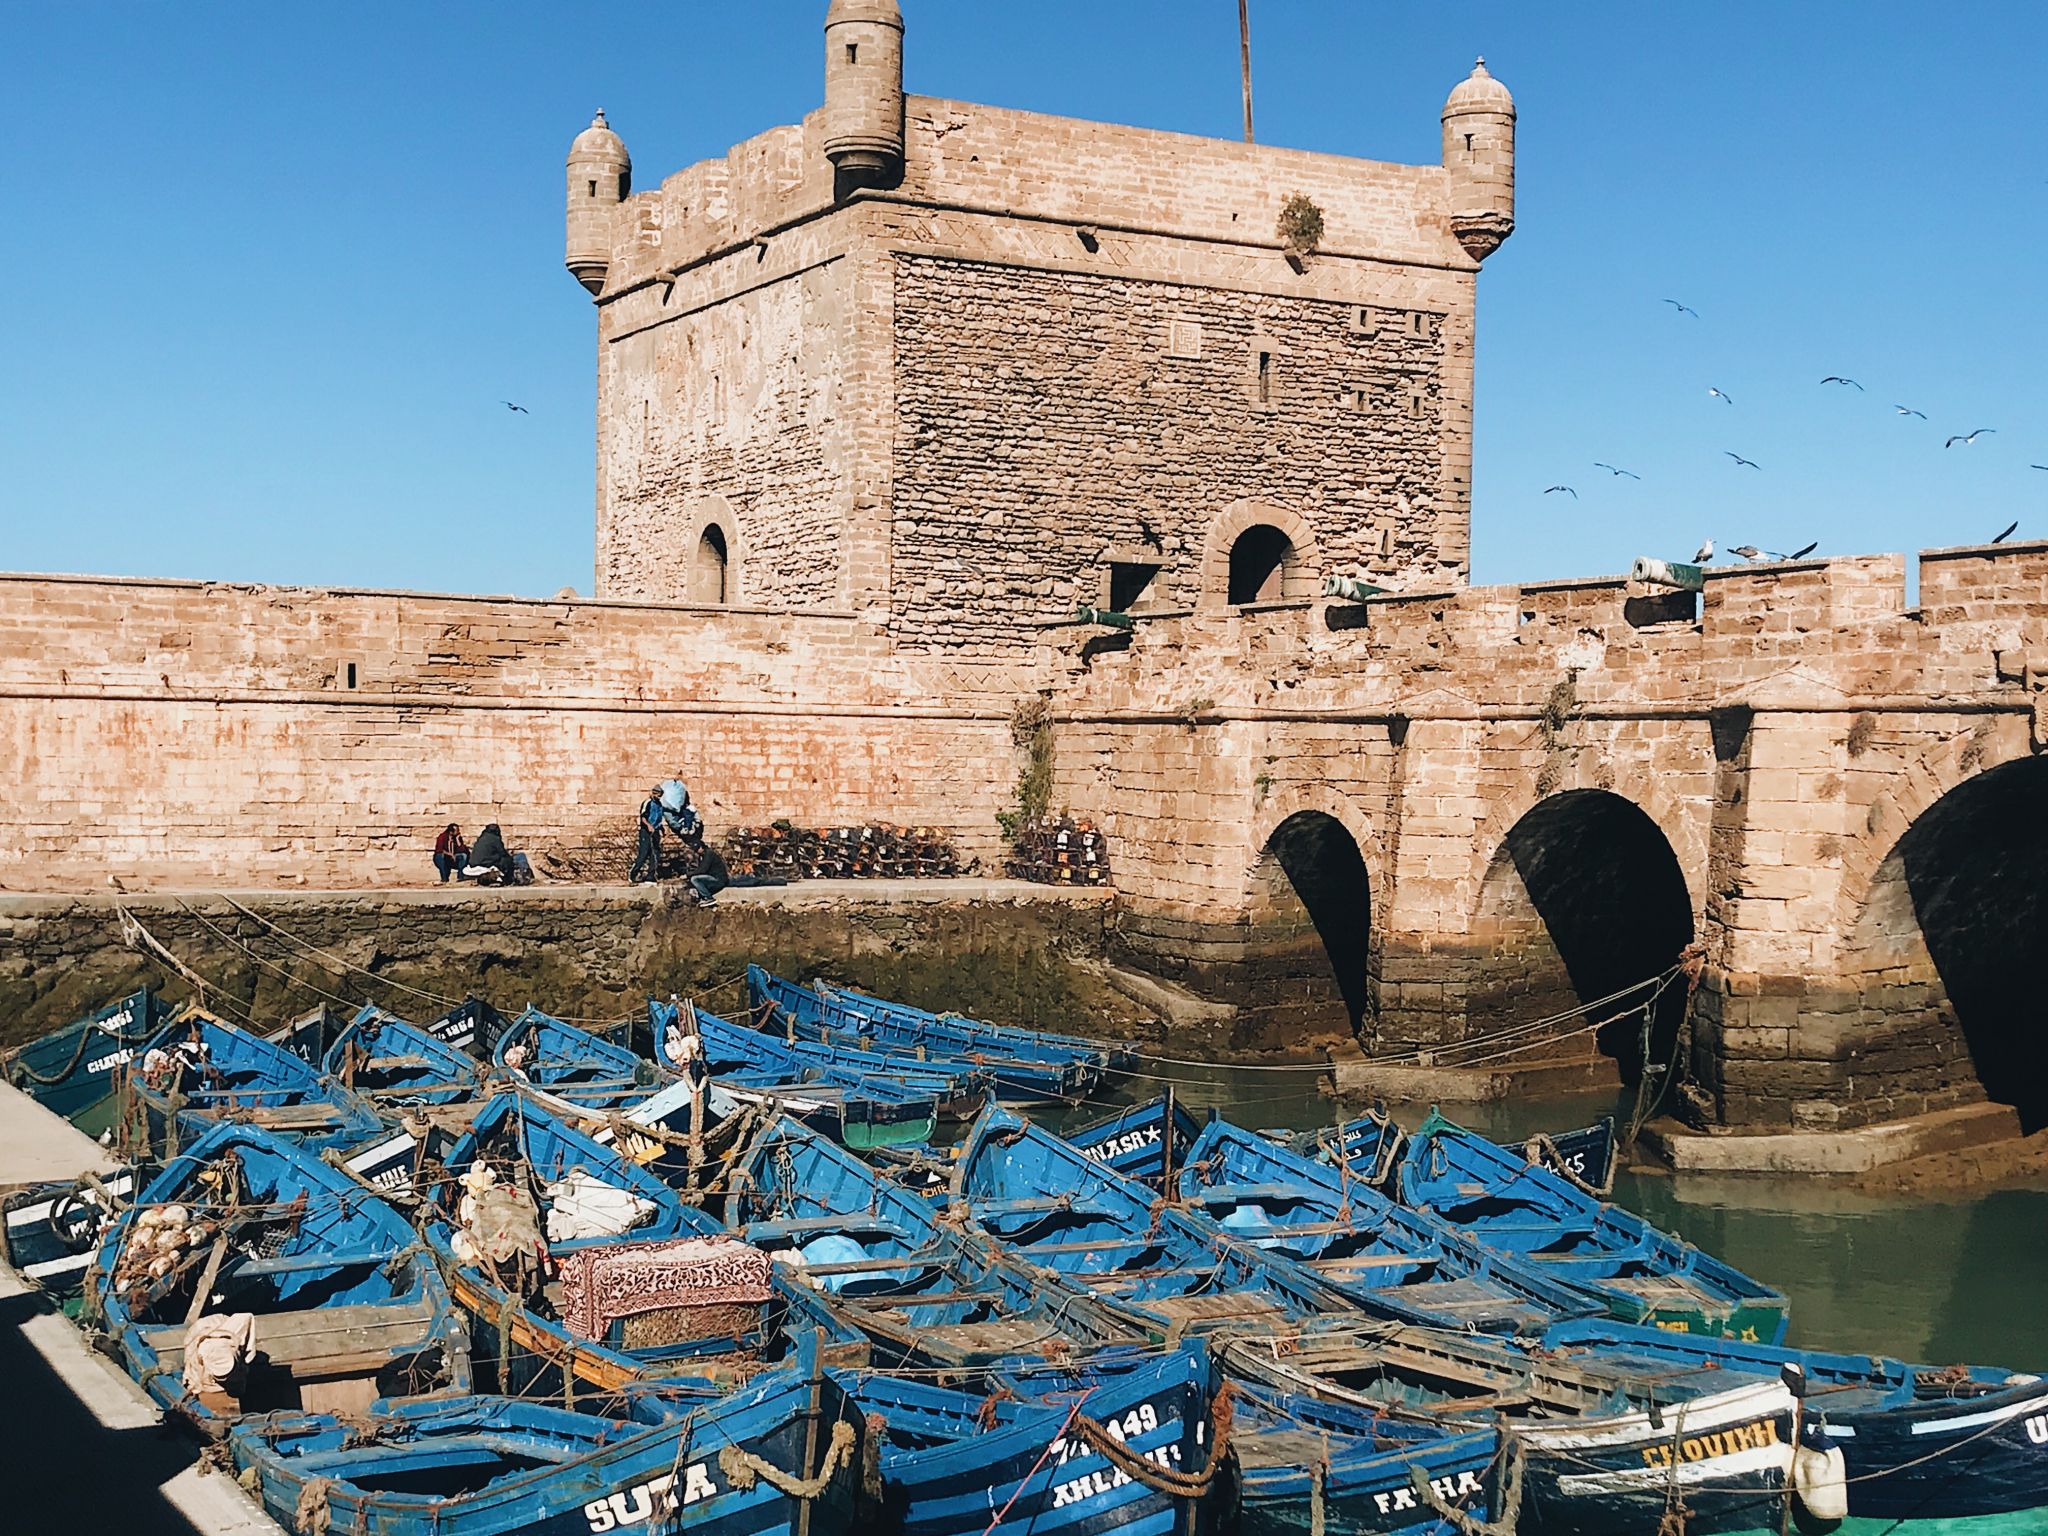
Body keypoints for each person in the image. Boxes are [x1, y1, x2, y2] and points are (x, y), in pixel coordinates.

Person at [682, 825, 727, 905]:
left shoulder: (709, 854)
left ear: (701, 847)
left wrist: (687, 875)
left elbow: (703, 870)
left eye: (697, 850)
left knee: (695, 879)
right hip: (712, 878)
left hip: (718, 880)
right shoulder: (703, 855)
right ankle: (701, 896)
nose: (696, 852)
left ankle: (709, 898)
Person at [629, 786, 665, 884]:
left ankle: (651, 875)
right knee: (644, 853)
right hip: (646, 831)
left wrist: (661, 828)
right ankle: (633, 873)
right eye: (657, 795)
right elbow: (643, 817)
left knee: (655, 853)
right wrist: (648, 825)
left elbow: (658, 818)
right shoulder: (648, 803)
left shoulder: (659, 804)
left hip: (655, 830)